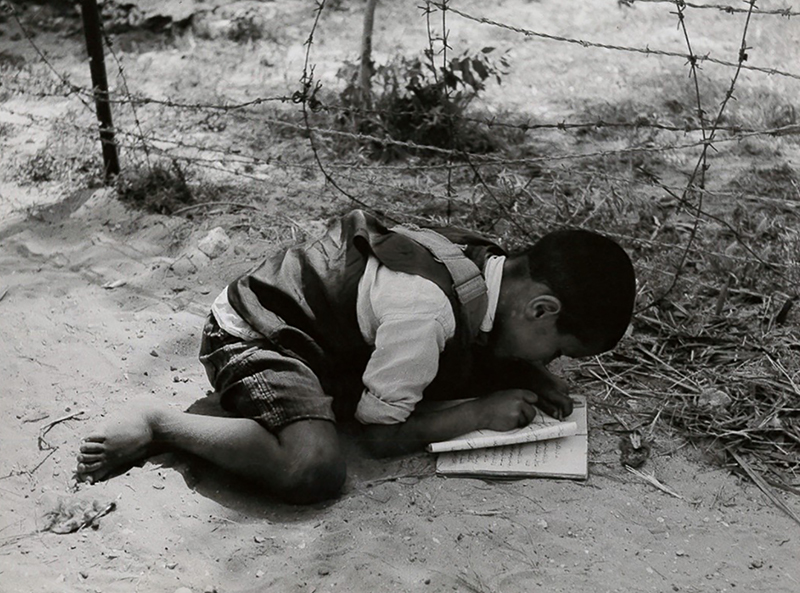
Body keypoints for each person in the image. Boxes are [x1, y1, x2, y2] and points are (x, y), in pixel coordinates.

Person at [76, 210, 635, 504]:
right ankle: (162, 423)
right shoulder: (426, 316)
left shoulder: (485, 265)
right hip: (257, 334)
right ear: (541, 308)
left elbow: (478, 342)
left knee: (448, 366)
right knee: (312, 467)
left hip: (322, 332)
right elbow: (378, 437)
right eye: (558, 350)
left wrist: (527, 368)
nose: (555, 363)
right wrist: (475, 415)